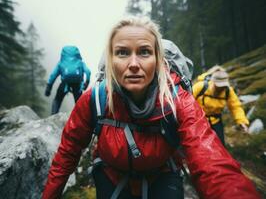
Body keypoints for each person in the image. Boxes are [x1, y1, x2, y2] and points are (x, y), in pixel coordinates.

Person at [42, 17, 260, 199]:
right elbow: (67, 152)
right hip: (111, 177)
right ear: (111, 59)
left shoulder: (178, 100)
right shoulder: (95, 99)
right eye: (122, 53)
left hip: (162, 175)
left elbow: (211, 160)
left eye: (145, 52)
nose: (134, 63)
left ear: (158, 59)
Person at [193, 67, 249, 145]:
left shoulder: (228, 91)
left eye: (223, 86)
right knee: (201, 145)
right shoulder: (200, 87)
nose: (221, 88)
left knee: (220, 145)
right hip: (199, 121)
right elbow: (188, 102)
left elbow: (235, 107)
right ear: (213, 82)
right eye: (218, 86)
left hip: (216, 122)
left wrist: (242, 122)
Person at [44, 45, 91, 114]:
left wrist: (49, 87)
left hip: (65, 83)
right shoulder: (80, 62)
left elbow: (53, 75)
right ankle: (82, 120)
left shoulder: (61, 63)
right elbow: (88, 72)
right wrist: (86, 83)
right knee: (79, 103)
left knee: (57, 99)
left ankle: (53, 115)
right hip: (77, 84)